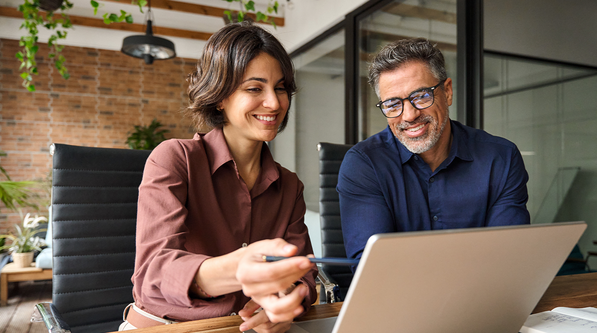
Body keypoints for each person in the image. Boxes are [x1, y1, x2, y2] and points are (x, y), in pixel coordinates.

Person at [121, 22, 318, 333]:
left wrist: (285, 302)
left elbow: (305, 276)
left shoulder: (289, 185)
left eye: (280, 87)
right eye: (255, 88)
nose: (275, 102)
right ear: (219, 97)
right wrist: (239, 268)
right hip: (168, 326)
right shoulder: (174, 159)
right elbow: (153, 272)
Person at [338, 38, 530, 270]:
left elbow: (507, 256)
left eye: (421, 96)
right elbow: (372, 268)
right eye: (392, 104)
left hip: (483, 300)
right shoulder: (364, 164)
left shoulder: (501, 157)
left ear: (447, 92)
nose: (408, 115)